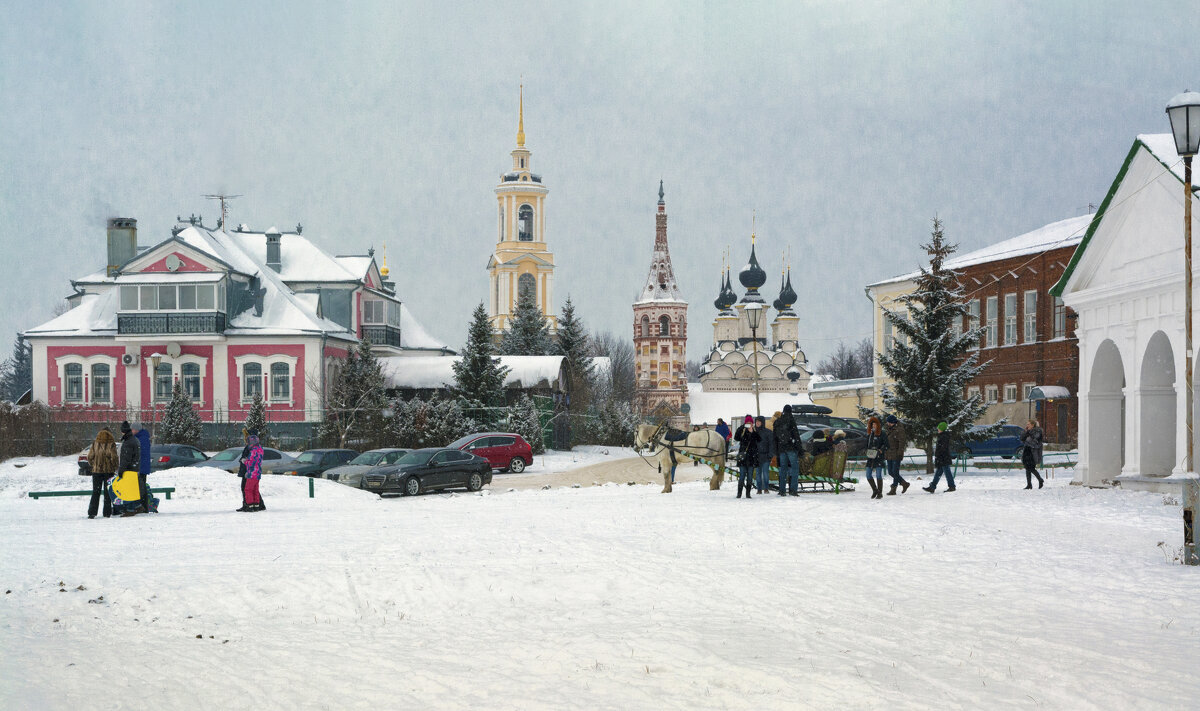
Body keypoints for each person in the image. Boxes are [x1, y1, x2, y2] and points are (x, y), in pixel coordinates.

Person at [85, 428, 118, 519]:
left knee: (96, 492)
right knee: (108, 493)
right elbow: (114, 458)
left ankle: (92, 512)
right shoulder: (111, 444)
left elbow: (90, 457)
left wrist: (94, 465)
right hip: (108, 471)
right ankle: (106, 513)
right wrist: (114, 467)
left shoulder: (95, 443)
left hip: (96, 472)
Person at [774, 404, 802, 496]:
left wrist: (777, 449)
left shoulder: (778, 421)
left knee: (783, 469)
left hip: (781, 448)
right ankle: (793, 490)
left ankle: (782, 490)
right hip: (791, 447)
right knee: (794, 469)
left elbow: (775, 437)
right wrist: (799, 447)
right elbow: (796, 434)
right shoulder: (791, 420)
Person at [117, 421, 141, 516]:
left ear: (124, 431)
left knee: (129, 490)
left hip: (129, 469)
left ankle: (130, 510)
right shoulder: (133, 439)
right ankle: (137, 506)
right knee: (133, 488)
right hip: (134, 467)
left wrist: (121, 470)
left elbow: (125, 458)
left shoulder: (128, 442)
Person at [924, 421, 956, 493]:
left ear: (942, 429)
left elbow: (943, 448)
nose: (938, 429)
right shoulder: (942, 436)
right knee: (938, 473)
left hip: (943, 458)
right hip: (942, 457)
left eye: (939, 428)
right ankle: (932, 487)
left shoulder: (943, 436)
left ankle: (952, 486)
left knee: (947, 472)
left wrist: (939, 456)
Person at [734, 415, 760, 499]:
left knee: (750, 476)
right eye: (747, 423)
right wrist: (742, 427)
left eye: (750, 423)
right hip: (743, 457)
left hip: (752, 458)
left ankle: (748, 493)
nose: (749, 424)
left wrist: (752, 432)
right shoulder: (742, 430)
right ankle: (739, 493)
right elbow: (736, 438)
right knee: (741, 476)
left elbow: (759, 439)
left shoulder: (754, 431)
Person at [883, 415, 910, 495]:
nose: (888, 424)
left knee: (895, 471)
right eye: (887, 422)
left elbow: (902, 442)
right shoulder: (888, 429)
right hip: (889, 453)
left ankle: (894, 488)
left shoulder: (899, 430)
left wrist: (900, 453)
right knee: (891, 472)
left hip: (896, 453)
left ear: (893, 422)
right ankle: (904, 483)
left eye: (889, 422)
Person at [863, 417, 888, 500]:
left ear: (878, 425)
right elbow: (866, 445)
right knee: (868, 474)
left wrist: (881, 450)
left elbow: (887, 444)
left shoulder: (882, 433)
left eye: (875, 424)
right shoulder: (870, 434)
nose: (873, 426)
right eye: (872, 424)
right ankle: (875, 490)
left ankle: (880, 493)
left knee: (878, 475)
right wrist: (866, 450)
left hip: (879, 457)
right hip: (870, 456)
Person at [242, 432, 265, 512]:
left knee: (248, 489)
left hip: (252, 472)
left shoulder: (253, 451)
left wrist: (245, 461)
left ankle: (250, 505)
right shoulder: (260, 449)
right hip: (258, 472)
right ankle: (256, 505)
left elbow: (252, 462)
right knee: (255, 489)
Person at [133, 422, 152, 513]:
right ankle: (143, 507)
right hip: (143, 466)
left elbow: (140, 454)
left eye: (132, 429)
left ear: (137, 430)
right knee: (141, 487)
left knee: (141, 488)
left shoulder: (141, 439)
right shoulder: (143, 437)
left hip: (141, 467)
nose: (131, 431)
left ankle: (143, 507)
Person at [754, 415, 775, 494]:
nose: (757, 423)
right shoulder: (754, 432)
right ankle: (759, 489)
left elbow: (771, 444)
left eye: (759, 422)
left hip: (766, 456)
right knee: (758, 474)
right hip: (757, 456)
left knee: (765, 473)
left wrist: (770, 455)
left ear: (762, 422)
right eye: (756, 422)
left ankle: (766, 488)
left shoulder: (768, 432)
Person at [1021, 419, 1045, 489]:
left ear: (1032, 425)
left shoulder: (1037, 431)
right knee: (1027, 467)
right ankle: (1029, 484)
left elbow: (1035, 440)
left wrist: (1029, 439)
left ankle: (1040, 480)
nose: (1027, 425)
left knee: (1031, 468)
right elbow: (1022, 439)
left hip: (1032, 451)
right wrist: (1025, 432)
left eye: (1028, 424)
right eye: (1027, 424)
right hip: (1027, 450)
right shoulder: (1027, 431)